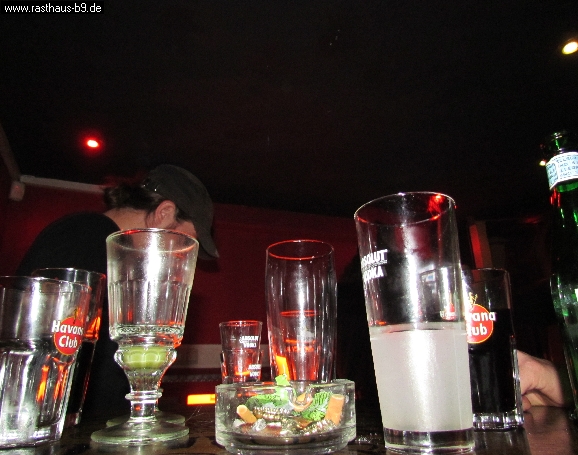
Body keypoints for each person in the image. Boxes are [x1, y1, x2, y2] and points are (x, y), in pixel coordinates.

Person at [16, 164, 219, 419]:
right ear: (165, 213)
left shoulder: (93, 238)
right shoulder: (86, 235)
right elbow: (50, 354)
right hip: (55, 426)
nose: (181, 255)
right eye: (183, 240)